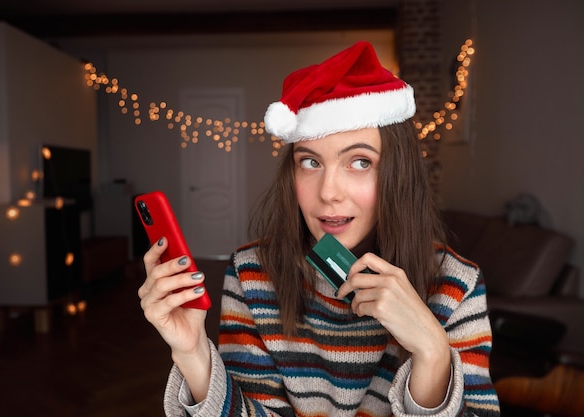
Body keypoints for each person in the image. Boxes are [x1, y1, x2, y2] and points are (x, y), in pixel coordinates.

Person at [139, 41, 500, 417]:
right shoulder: (252, 274)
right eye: (310, 162)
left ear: (398, 173)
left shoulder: (456, 286)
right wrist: (192, 352)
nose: (328, 193)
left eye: (360, 162)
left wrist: (433, 354)